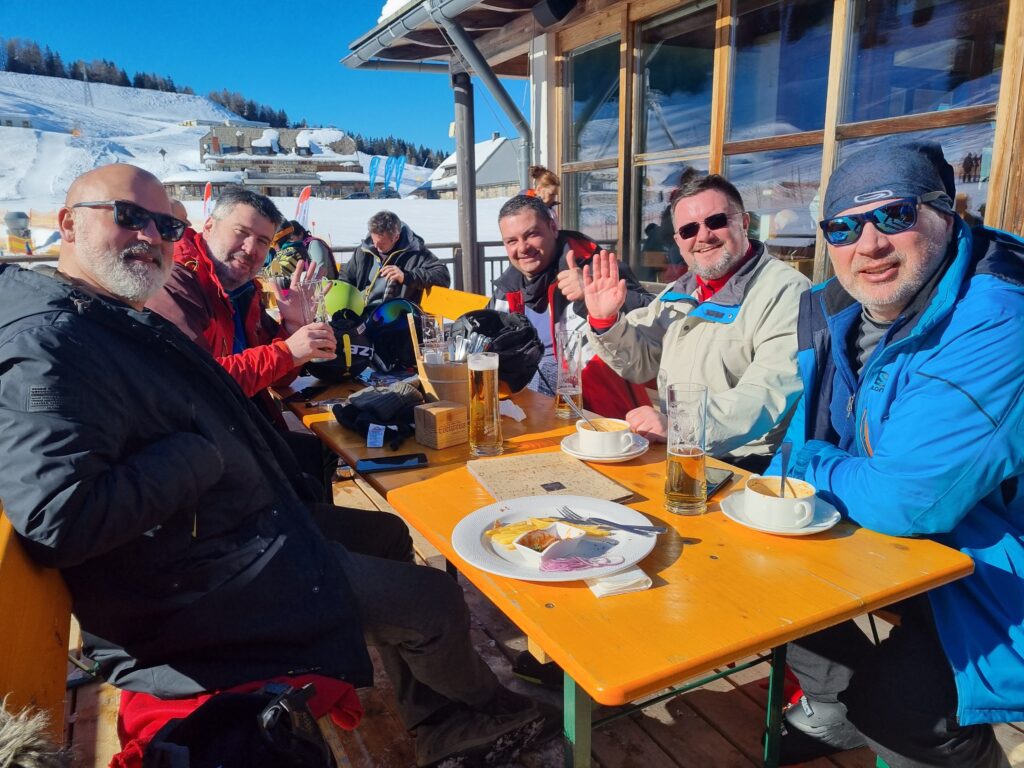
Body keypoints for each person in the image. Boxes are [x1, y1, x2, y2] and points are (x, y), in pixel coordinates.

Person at [0, 164, 546, 768]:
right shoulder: (48, 344)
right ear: (69, 225)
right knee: (434, 600)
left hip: (220, 537)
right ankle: (485, 706)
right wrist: (200, 451)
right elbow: (59, 517)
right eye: (129, 217)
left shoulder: (105, 315)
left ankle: (437, 719)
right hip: (194, 593)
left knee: (388, 532)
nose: (150, 237)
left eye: (162, 225)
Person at [766, 140, 1023, 767]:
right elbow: (805, 436)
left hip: (996, 572)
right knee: (765, 582)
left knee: (903, 710)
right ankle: (836, 708)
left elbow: (909, 498)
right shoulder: (839, 315)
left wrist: (801, 468)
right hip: (920, 551)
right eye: (844, 226)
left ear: (946, 212)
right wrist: (769, 491)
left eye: (894, 215)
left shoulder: (998, 317)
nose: (870, 243)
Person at [581, 174, 810, 472]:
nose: (703, 236)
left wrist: (681, 425)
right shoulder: (684, 289)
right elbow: (641, 363)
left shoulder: (786, 289)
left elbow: (767, 393)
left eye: (716, 221)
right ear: (678, 242)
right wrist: (605, 320)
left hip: (745, 465)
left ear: (744, 222)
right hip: (680, 449)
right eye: (689, 229)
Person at [493, 194, 654, 409]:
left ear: (552, 227)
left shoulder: (595, 266)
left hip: (602, 413)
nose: (522, 248)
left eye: (532, 234)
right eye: (511, 241)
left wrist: (591, 292)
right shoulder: (509, 286)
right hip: (532, 403)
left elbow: (651, 315)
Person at [340, 210, 449, 307]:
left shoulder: (415, 252)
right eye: (374, 241)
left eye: (382, 243)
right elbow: (346, 277)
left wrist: (406, 276)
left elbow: (442, 276)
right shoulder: (364, 250)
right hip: (361, 314)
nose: (376, 247)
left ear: (396, 237)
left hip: (395, 317)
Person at [272, 218, 339, 279]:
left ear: (301, 234)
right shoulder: (289, 252)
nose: (288, 244)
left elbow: (320, 272)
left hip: (328, 288)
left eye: (291, 239)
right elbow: (276, 274)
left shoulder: (314, 244)